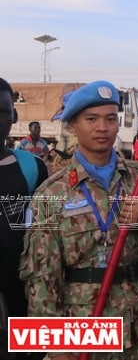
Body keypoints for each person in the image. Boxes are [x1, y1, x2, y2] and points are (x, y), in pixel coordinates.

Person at [20, 81, 138, 360]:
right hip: (84, 324)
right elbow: (42, 278)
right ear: (73, 125)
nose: (103, 127)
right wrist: (55, 347)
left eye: (111, 118)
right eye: (92, 119)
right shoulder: (51, 193)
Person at [0, 77, 48, 358]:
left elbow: (45, 230)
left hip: (21, 294)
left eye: (3, 112)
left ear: (14, 116)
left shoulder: (32, 167)